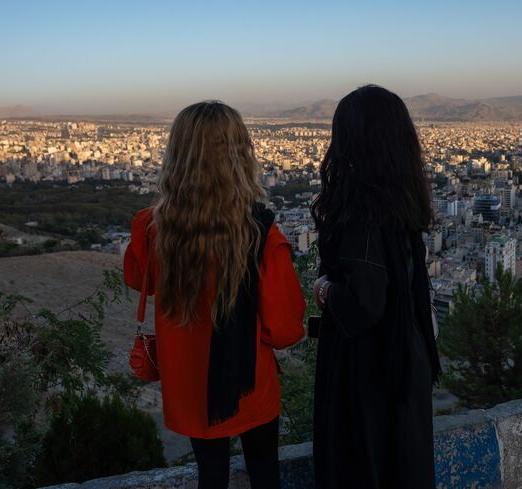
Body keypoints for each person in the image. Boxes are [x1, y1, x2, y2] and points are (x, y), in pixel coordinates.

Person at [123, 102, 306, 489]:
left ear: (178, 155)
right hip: (250, 383)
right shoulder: (260, 233)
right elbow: (286, 329)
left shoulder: (151, 227)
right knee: (265, 473)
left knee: (210, 477)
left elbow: (140, 280)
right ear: (239, 155)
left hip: (189, 386)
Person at [310, 85, 442, 489]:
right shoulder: (402, 200)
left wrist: (325, 290)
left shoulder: (360, 212)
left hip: (368, 372)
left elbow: (364, 302)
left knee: (363, 470)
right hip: (404, 359)